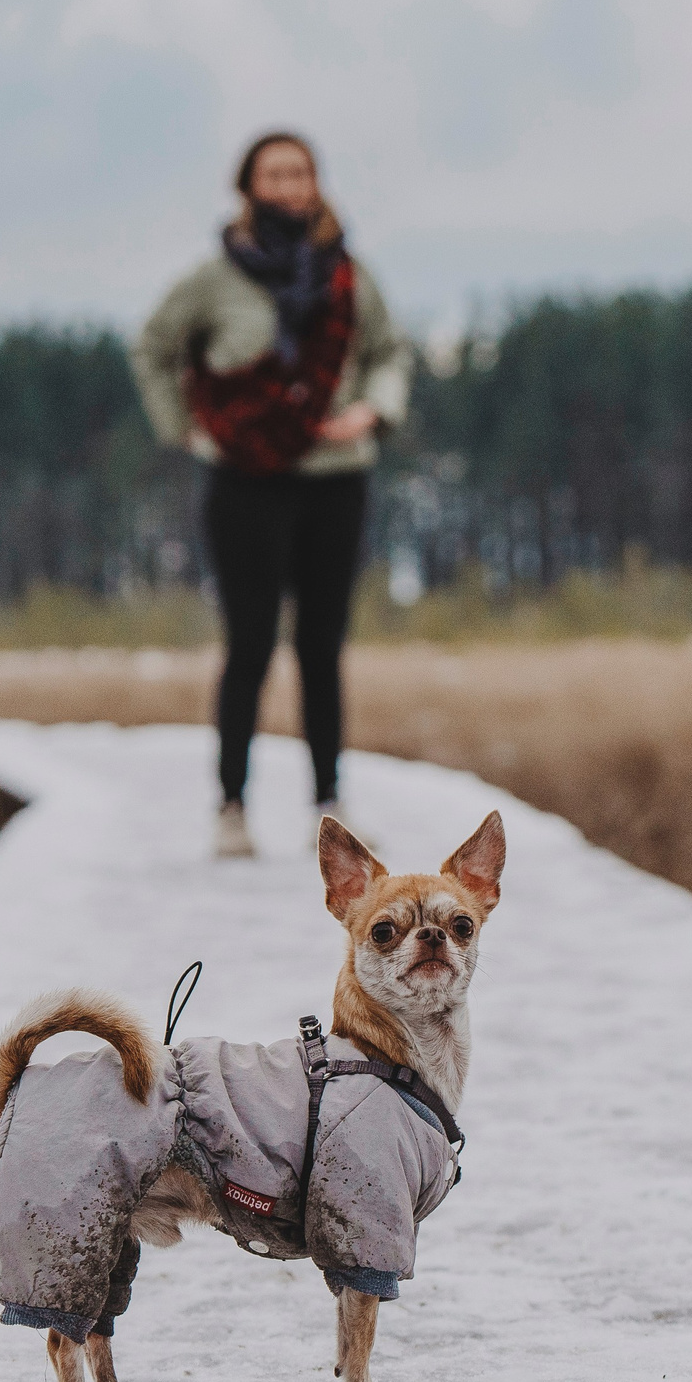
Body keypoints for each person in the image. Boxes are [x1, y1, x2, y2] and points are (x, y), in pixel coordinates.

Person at [131, 132, 411, 858]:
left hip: (335, 478)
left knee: (321, 648)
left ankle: (330, 807)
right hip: (245, 483)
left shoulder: (350, 277)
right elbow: (153, 348)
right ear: (249, 187)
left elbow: (390, 352)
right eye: (274, 172)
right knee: (249, 646)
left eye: (300, 171)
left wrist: (372, 410)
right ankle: (231, 808)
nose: (289, 184)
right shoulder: (214, 279)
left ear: (316, 183)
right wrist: (188, 431)